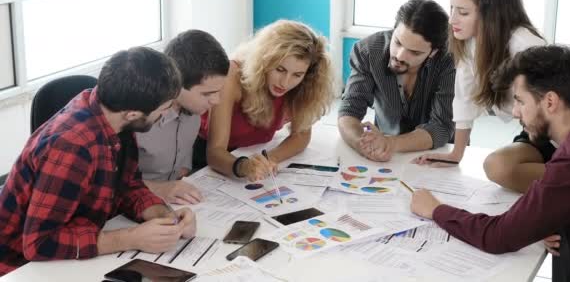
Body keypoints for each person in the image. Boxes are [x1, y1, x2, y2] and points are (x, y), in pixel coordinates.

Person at [0, 48, 196, 276]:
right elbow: (39, 243)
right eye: (163, 109)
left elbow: (128, 185)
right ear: (133, 114)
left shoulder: (115, 117)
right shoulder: (73, 146)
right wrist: (130, 239)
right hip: (20, 266)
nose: (165, 114)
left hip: (76, 247)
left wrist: (164, 216)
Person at [410, 45, 570, 264]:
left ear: (550, 102)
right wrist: (542, 219)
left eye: (520, 101)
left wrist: (437, 210)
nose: (515, 112)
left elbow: (498, 236)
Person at [414, 0, 549, 193]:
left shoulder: (527, 46)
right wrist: (456, 153)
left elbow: (562, 109)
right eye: (452, 9)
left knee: (562, 173)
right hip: (537, 135)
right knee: (495, 166)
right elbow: (464, 97)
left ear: (490, 12)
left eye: (463, 12)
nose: (452, 19)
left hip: (567, 134)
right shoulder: (469, 42)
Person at [201, 20, 334, 181]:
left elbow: (301, 136)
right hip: (205, 157)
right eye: (280, 69)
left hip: (250, 152)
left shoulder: (303, 87)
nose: (285, 82)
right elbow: (214, 151)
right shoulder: (232, 76)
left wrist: (269, 159)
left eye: (297, 75)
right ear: (264, 60)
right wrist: (244, 166)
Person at [338, 0, 455, 162]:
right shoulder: (367, 51)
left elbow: (441, 127)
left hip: (439, 154)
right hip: (385, 151)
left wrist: (390, 143)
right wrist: (361, 144)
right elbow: (350, 109)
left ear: (433, 52)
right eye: (398, 42)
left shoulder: (450, 62)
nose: (400, 56)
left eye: (414, 52)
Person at [137, 30, 229, 205]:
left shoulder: (193, 112)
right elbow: (108, 186)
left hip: (175, 202)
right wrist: (158, 189)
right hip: (129, 208)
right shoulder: (139, 120)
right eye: (207, 94)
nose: (217, 101)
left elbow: (182, 171)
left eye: (219, 91)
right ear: (177, 84)